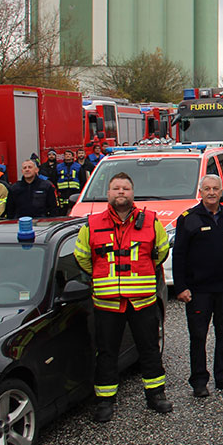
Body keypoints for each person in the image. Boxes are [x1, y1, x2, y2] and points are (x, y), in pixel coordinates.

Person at [75, 172, 171, 422]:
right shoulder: (92, 224)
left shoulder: (151, 221)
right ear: (108, 194)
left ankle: (155, 395)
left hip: (142, 301)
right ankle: (105, 401)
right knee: (106, 352)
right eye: (116, 188)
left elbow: (161, 251)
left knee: (149, 349)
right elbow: (82, 257)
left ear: (133, 193)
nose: (121, 192)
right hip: (107, 303)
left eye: (125, 188)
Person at [172, 175, 223, 396]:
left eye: (215, 189)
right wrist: (180, 287)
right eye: (207, 189)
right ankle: (199, 380)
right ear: (201, 191)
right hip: (198, 290)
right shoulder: (189, 218)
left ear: (221, 191)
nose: (212, 193)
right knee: (198, 335)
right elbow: (179, 255)